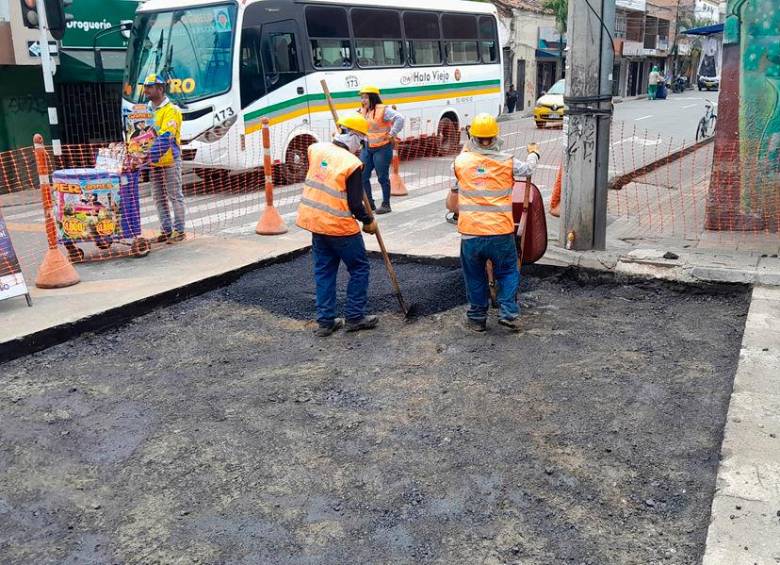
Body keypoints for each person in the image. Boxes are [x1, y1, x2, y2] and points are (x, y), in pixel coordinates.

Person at [451, 113, 539, 332]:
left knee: (474, 276)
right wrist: (534, 153)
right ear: (495, 136)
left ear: (473, 138)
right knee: (508, 271)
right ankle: (508, 312)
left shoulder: (460, 162)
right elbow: (528, 170)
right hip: (500, 231)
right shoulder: (507, 161)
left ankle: (477, 318)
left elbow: (456, 184)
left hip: (471, 234)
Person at [296, 114, 380, 337]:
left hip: (316, 223)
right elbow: (354, 203)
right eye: (361, 141)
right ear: (353, 137)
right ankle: (355, 317)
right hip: (339, 227)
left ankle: (326, 322)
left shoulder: (317, 149)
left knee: (324, 271)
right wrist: (368, 220)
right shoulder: (351, 163)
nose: (360, 148)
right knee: (359, 267)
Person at [142, 74, 185, 243]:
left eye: (150, 87)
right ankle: (166, 230)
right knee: (158, 197)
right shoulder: (145, 111)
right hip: (153, 162)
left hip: (170, 160)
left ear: (160, 89)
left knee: (175, 196)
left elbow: (166, 137)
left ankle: (179, 231)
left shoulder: (171, 110)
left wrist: (146, 157)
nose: (146, 90)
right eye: (145, 86)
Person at [357, 86, 405, 215]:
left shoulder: (383, 110)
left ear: (372, 97)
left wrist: (392, 134)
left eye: (366, 97)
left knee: (382, 177)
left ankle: (386, 204)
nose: (363, 100)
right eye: (362, 97)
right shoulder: (362, 111)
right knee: (362, 176)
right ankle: (370, 203)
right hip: (367, 148)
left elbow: (400, 118)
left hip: (382, 148)